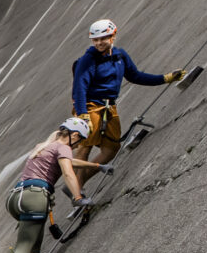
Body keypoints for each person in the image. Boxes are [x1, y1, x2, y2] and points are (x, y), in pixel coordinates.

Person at [0, 118, 93, 253]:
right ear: (75, 135)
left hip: (15, 198)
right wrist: (78, 197)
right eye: (79, 141)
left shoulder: (45, 146)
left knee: (34, 226)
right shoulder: (64, 148)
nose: (78, 145)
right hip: (35, 196)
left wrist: (95, 166)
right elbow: (68, 172)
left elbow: (70, 161)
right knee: (23, 245)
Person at [71, 18, 188, 170]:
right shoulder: (88, 60)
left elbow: (136, 76)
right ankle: (77, 192)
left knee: (112, 149)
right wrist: (82, 114)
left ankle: (80, 182)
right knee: (85, 146)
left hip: (109, 107)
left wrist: (164, 78)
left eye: (103, 38)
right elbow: (79, 87)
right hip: (90, 106)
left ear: (113, 36)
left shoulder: (120, 56)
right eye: (95, 40)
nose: (99, 43)